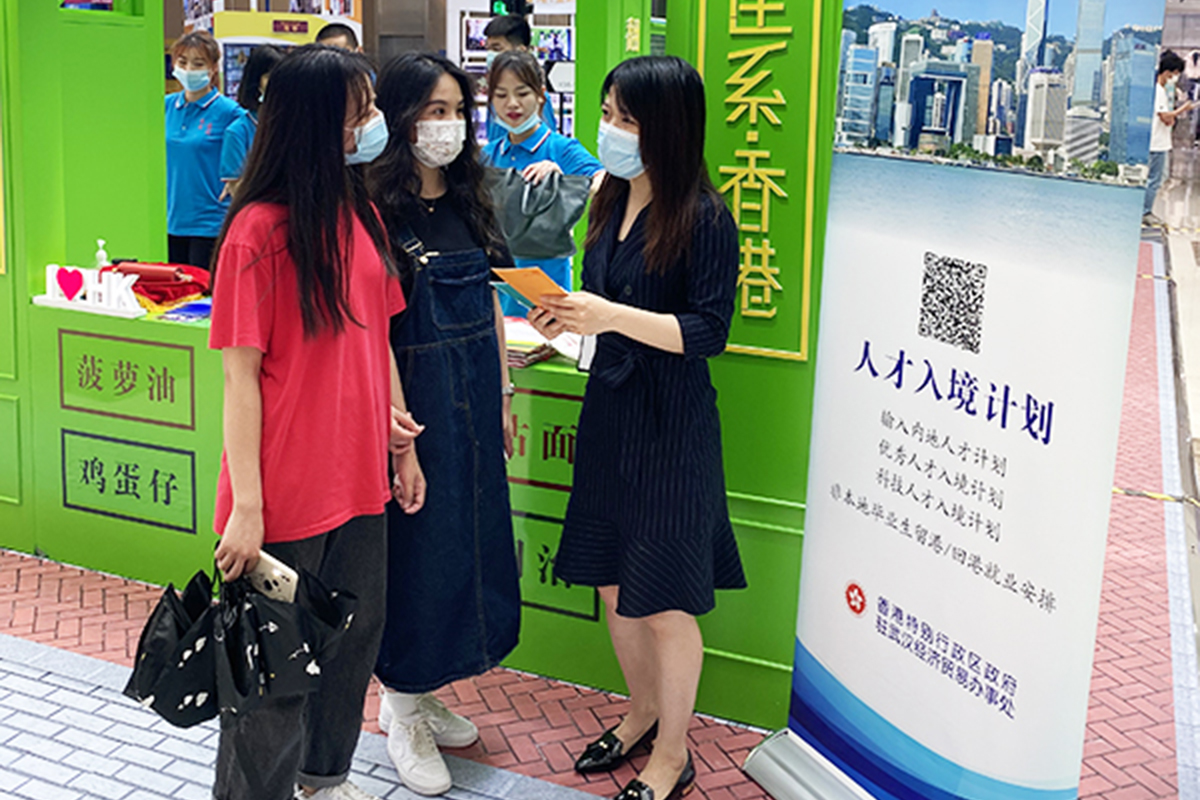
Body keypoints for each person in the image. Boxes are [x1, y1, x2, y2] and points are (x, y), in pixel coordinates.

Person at [209, 44, 425, 800]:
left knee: (351, 645)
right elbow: (240, 380)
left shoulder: (360, 212)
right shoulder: (258, 232)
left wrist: (401, 441)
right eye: (358, 111)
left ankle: (324, 779)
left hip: (361, 477)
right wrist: (248, 508)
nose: (371, 123)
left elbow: (380, 334)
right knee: (270, 680)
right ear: (315, 121)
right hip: (285, 491)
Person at [528, 56, 747, 800]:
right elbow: (603, 307)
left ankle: (674, 752)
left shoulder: (706, 217)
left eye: (627, 118)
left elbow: (709, 330)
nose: (611, 131)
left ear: (670, 127)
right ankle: (642, 712)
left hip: (672, 426)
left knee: (665, 600)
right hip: (610, 412)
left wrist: (610, 315)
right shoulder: (606, 197)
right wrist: (562, 316)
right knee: (617, 589)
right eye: (608, 113)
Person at [366, 53, 521, 797]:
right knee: (416, 555)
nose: (447, 125)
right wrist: (398, 436)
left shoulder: (469, 200)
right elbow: (367, 332)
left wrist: (502, 395)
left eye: (457, 108)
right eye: (432, 110)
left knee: (470, 547)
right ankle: (399, 703)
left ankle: (426, 687)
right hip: (412, 412)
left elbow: (491, 299)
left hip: (472, 405)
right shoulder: (373, 213)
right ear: (400, 118)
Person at [483, 50, 603, 315]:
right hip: (495, 300)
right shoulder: (487, 155)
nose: (512, 104)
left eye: (522, 93)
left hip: (549, 302)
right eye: (501, 95)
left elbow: (605, 182)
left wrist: (563, 178)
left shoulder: (562, 148)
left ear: (540, 95)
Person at [166, 31, 245, 269]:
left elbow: (251, 152)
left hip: (211, 222)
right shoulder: (165, 106)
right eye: (183, 62)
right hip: (171, 220)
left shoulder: (230, 112)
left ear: (212, 68)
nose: (189, 69)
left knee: (204, 299)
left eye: (198, 63)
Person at [219, 45, 284, 197]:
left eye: (281, 77)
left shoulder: (294, 125)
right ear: (255, 82)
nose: (277, 83)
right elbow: (238, 190)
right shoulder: (238, 132)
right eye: (269, 77)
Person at [482, 14, 555, 142]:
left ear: (521, 50)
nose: (490, 55)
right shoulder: (494, 94)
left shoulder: (537, 97)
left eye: (497, 48)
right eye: (488, 49)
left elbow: (547, 143)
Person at [1145, 51, 1195, 227]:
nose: (1177, 77)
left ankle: (1146, 210)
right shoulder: (1158, 91)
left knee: (1158, 177)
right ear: (1168, 72)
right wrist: (1182, 110)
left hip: (1160, 140)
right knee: (1155, 179)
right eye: (1176, 73)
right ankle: (1146, 212)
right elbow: (1164, 116)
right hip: (1156, 143)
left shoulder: (1160, 90)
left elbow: (1167, 118)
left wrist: (1172, 116)